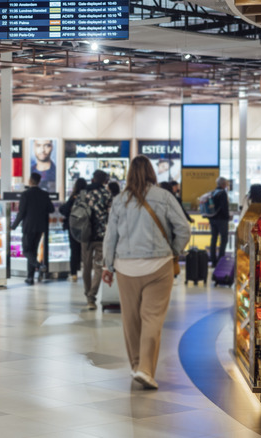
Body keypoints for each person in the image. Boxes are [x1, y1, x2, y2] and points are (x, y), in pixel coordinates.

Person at [102, 155, 190, 390]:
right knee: (152, 318)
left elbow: (111, 237)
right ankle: (146, 370)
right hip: (158, 266)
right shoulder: (165, 197)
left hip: (125, 267)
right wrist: (173, 250)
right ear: (152, 172)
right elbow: (184, 228)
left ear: (129, 174)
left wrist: (107, 266)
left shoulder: (120, 201)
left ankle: (136, 365)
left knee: (130, 319)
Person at [12, 172, 55, 285]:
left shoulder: (26, 194)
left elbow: (21, 212)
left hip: (28, 227)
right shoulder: (44, 194)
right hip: (40, 227)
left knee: (26, 251)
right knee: (33, 251)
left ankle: (39, 265)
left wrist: (14, 225)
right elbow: (51, 209)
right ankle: (30, 277)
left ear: (30, 180)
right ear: (39, 181)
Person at [81, 170, 112, 310]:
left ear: (93, 179)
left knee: (86, 267)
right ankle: (91, 297)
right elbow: (111, 215)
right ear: (105, 181)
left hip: (85, 236)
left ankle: (88, 293)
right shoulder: (107, 194)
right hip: (101, 236)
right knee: (98, 267)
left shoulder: (83, 193)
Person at [60, 178, 87, 282]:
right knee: (85, 251)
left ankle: (73, 274)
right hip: (86, 227)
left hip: (73, 226)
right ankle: (86, 273)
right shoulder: (87, 197)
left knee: (74, 250)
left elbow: (64, 210)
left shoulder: (73, 197)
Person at [208, 177, 231, 267]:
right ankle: (221, 260)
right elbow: (224, 207)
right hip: (222, 220)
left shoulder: (213, 192)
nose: (226, 185)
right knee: (224, 239)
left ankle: (213, 260)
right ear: (223, 184)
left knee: (213, 239)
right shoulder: (223, 193)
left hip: (212, 219)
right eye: (225, 183)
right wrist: (228, 216)